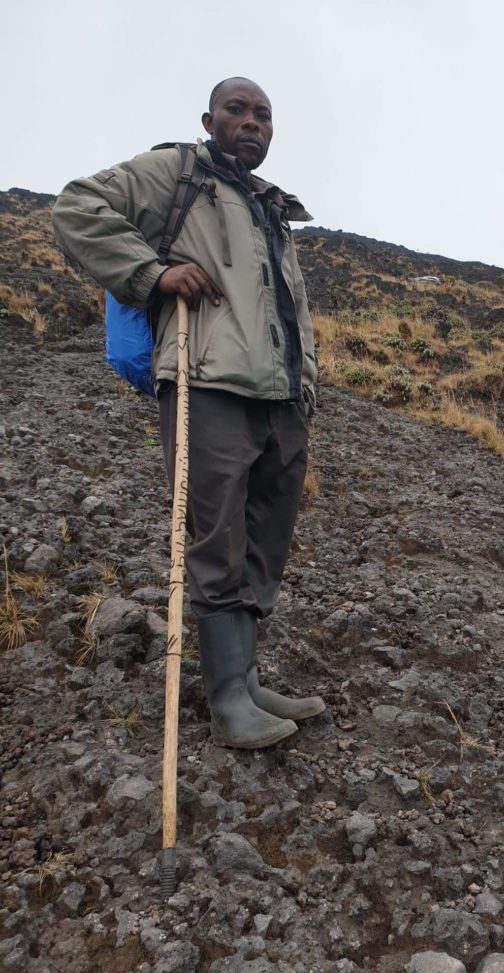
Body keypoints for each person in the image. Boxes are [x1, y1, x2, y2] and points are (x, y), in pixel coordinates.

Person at [52, 77, 325, 749]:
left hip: (281, 401)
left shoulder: (272, 210)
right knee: (216, 538)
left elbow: (294, 314)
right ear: (209, 119)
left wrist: (308, 388)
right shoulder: (176, 173)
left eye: (263, 114)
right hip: (208, 385)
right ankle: (228, 697)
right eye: (237, 109)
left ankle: (246, 675)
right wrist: (152, 274)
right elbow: (77, 207)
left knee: (266, 539)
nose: (251, 122)